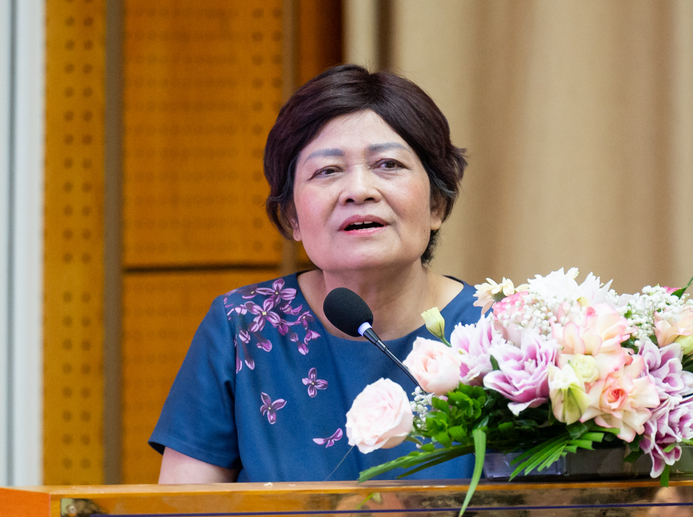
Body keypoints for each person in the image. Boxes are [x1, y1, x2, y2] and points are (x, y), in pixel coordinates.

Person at [150, 64, 480, 483]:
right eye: (327, 171)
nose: (359, 190)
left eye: (388, 165)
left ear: (437, 204)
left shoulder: (507, 339)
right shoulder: (244, 329)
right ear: (292, 217)